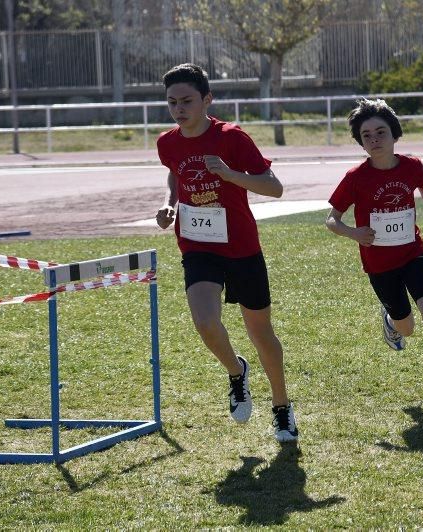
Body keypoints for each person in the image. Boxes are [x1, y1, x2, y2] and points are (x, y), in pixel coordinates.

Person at [155, 63, 298, 442]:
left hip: (241, 246)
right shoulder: (166, 142)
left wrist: (231, 175)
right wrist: (170, 203)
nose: (179, 109)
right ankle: (237, 373)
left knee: (261, 333)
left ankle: (282, 408)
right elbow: (174, 171)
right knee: (204, 321)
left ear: (207, 100)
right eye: (172, 103)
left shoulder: (233, 138)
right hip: (198, 244)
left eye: (187, 101)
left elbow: (275, 187)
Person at [325, 98, 423, 421]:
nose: (374, 140)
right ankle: (392, 321)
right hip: (379, 265)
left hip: (412, 253)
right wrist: (354, 233)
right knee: (409, 328)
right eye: (367, 136)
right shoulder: (355, 177)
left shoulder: (412, 165)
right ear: (360, 142)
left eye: (380, 132)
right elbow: (331, 220)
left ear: (394, 134)